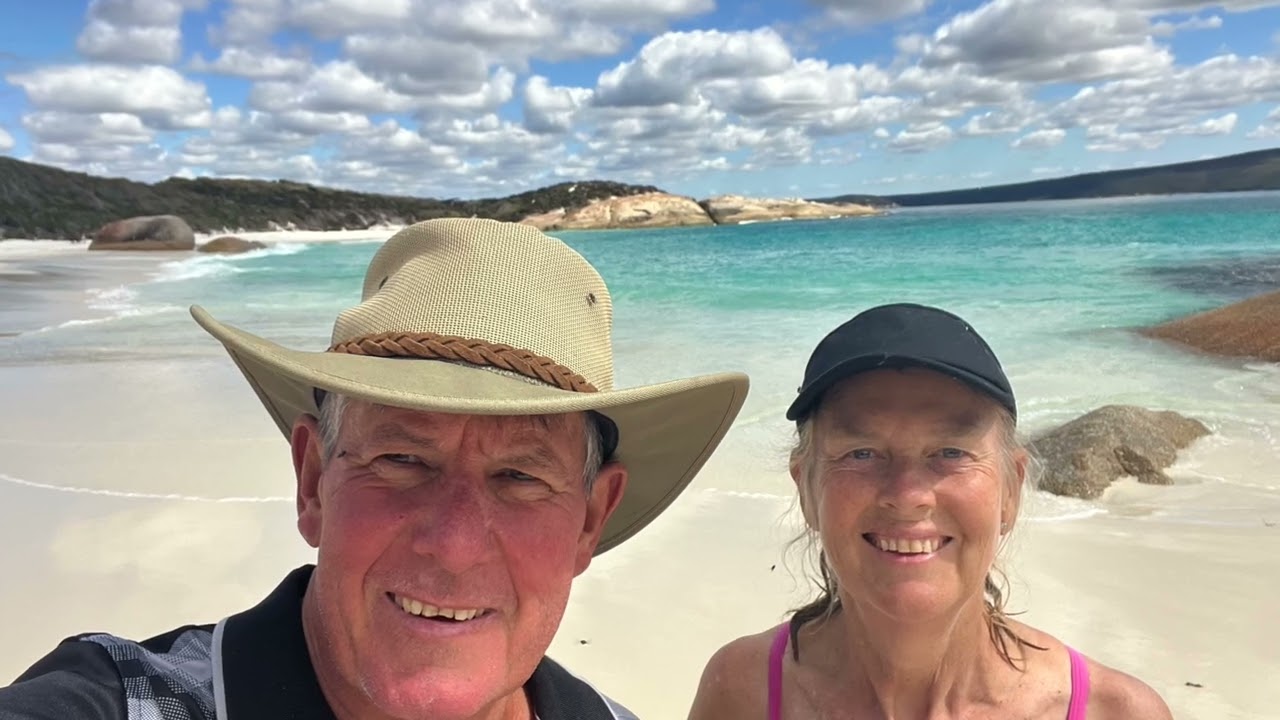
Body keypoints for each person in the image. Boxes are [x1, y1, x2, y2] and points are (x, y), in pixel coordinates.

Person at [0, 218, 749, 720]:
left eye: (520, 478)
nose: (453, 543)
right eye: (402, 460)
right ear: (313, 480)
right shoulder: (126, 700)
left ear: (591, 518)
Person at [688, 303, 1172, 720]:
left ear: (1011, 490)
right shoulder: (743, 693)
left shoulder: (1112, 711)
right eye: (861, 452)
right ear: (806, 489)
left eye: (951, 452)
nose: (908, 494)